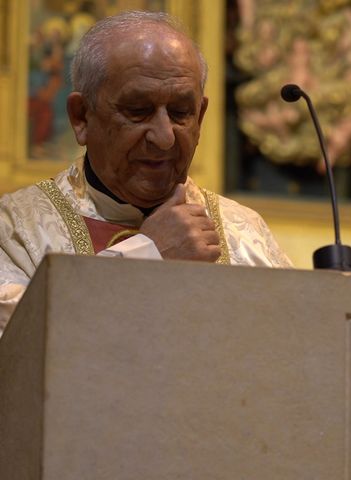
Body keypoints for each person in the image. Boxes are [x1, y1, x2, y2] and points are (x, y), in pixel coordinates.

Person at [0, 11, 292, 334]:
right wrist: (147, 255)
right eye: (138, 111)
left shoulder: (246, 234)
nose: (165, 137)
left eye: (181, 113)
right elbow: (19, 350)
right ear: (81, 117)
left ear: (202, 115)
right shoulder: (15, 229)